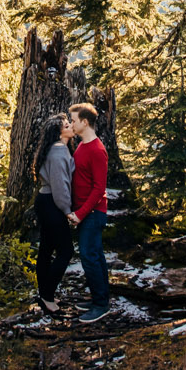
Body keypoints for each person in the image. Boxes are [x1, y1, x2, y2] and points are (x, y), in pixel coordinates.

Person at [65, 102, 110, 322]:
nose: (71, 124)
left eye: (73, 121)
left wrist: (81, 213)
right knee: (95, 256)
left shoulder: (97, 150)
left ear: (84, 122)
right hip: (85, 213)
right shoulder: (82, 145)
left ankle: (101, 305)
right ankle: (99, 298)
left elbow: (99, 189)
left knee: (89, 257)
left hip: (93, 213)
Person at [31, 114, 74, 315]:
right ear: (59, 132)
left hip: (45, 201)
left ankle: (44, 294)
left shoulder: (56, 149)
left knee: (47, 249)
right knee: (66, 251)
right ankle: (47, 296)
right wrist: (67, 211)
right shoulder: (58, 152)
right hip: (52, 203)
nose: (71, 126)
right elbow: (60, 186)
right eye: (67, 125)